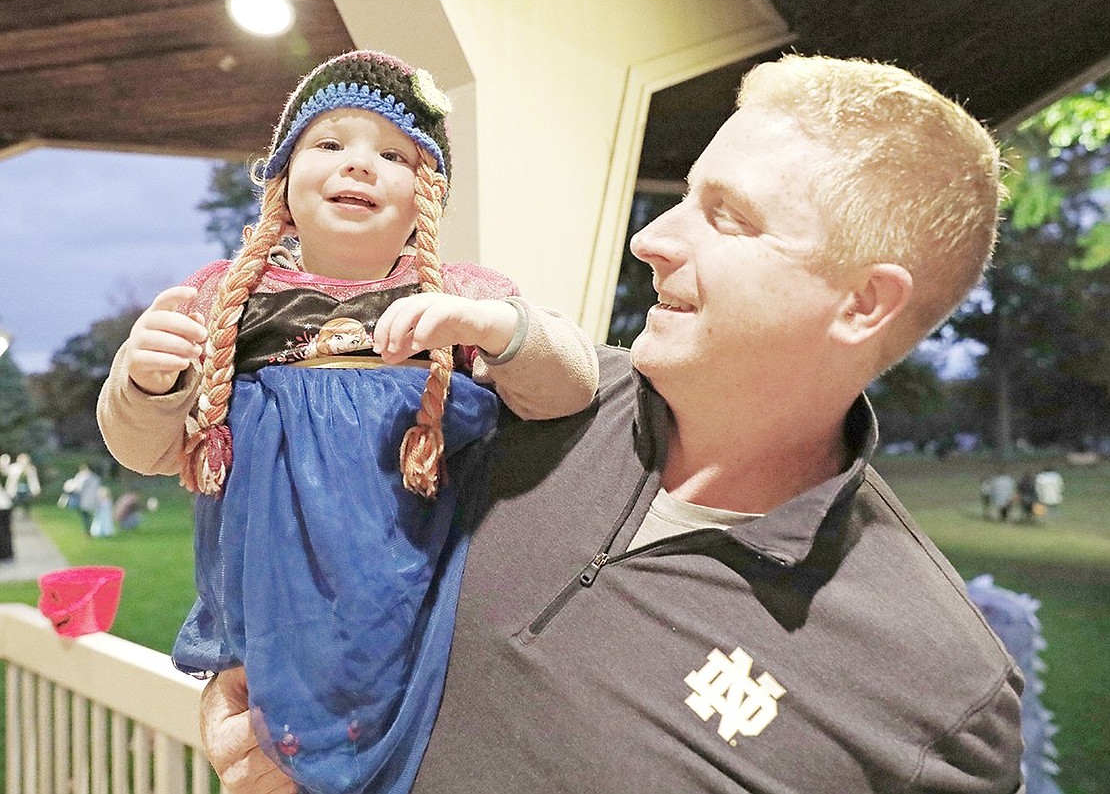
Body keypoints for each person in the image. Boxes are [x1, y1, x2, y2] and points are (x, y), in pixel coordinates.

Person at [199, 54, 1025, 793]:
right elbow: (296, 540)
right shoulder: (502, 399)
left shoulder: (941, 691)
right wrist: (248, 692)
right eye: (682, 197)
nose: (650, 238)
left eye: (727, 214)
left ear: (864, 303)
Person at [97, 50, 599, 794]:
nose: (359, 166)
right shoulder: (227, 303)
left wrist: (495, 326)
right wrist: (145, 379)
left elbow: (571, 386)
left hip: (427, 608)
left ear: (428, 194)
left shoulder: (459, 298)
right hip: (278, 618)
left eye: (393, 153)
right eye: (329, 143)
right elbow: (143, 450)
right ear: (283, 179)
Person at [62, 463, 102, 534]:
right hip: (92, 500)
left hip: (83, 500)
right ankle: (90, 530)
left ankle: (88, 531)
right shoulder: (96, 478)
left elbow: (78, 488)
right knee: (89, 515)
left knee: (86, 516)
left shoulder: (83, 477)